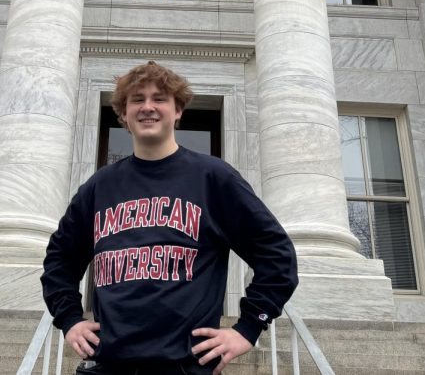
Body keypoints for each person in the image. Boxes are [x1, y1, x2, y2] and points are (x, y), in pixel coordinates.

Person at [41, 62, 299, 375]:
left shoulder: (213, 178)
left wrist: (247, 328)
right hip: (108, 365)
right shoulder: (99, 187)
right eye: (137, 100)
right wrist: (70, 320)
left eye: (159, 98)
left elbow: (277, 255)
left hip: (183, 366)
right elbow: (59, 260)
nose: (147, 107)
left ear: (178, 111)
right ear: (124, 114)